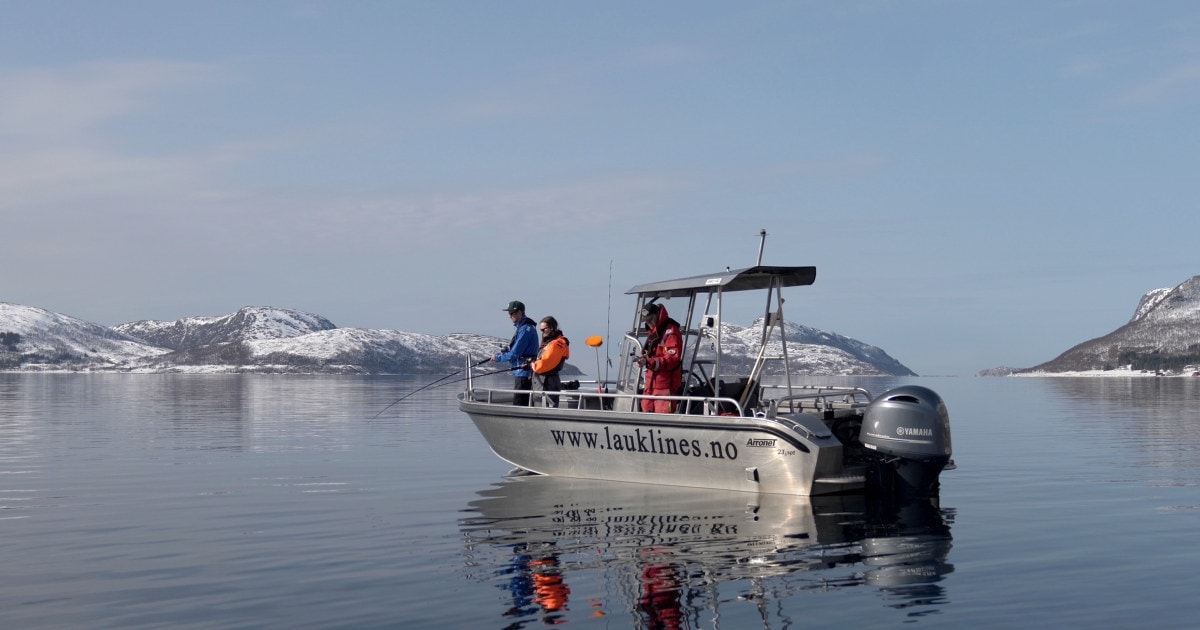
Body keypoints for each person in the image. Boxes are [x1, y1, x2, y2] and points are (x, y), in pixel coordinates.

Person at [636, 303, 683, 413]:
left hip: (665, 388)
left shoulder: (671, 331)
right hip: (650, 387)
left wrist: (650, 362)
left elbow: (672, 359)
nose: (649, 323)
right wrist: (643, 360)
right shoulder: (653, 333)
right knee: (646, 414)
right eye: (646, 320)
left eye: (650, 319)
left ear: (658, 314)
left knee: (663, 418)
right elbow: (650, 354)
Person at [494, 300, 538, 406]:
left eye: (511, 313)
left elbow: (515, 354)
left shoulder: (524, 330)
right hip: (524, 373)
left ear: (520, 312)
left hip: (523, 374)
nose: (509, 316)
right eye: (509, 313)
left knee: (519, 405)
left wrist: (498, 358)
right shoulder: (525, 327)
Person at [531, 316, 570, 407]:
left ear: (552, 328)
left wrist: (532, 364)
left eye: (544, 329)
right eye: (541, 330)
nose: (542, 332)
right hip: (542, 382)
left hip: (547, 383)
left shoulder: (557, 344)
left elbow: (546, 363)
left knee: (546, 409)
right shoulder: (549, 343)